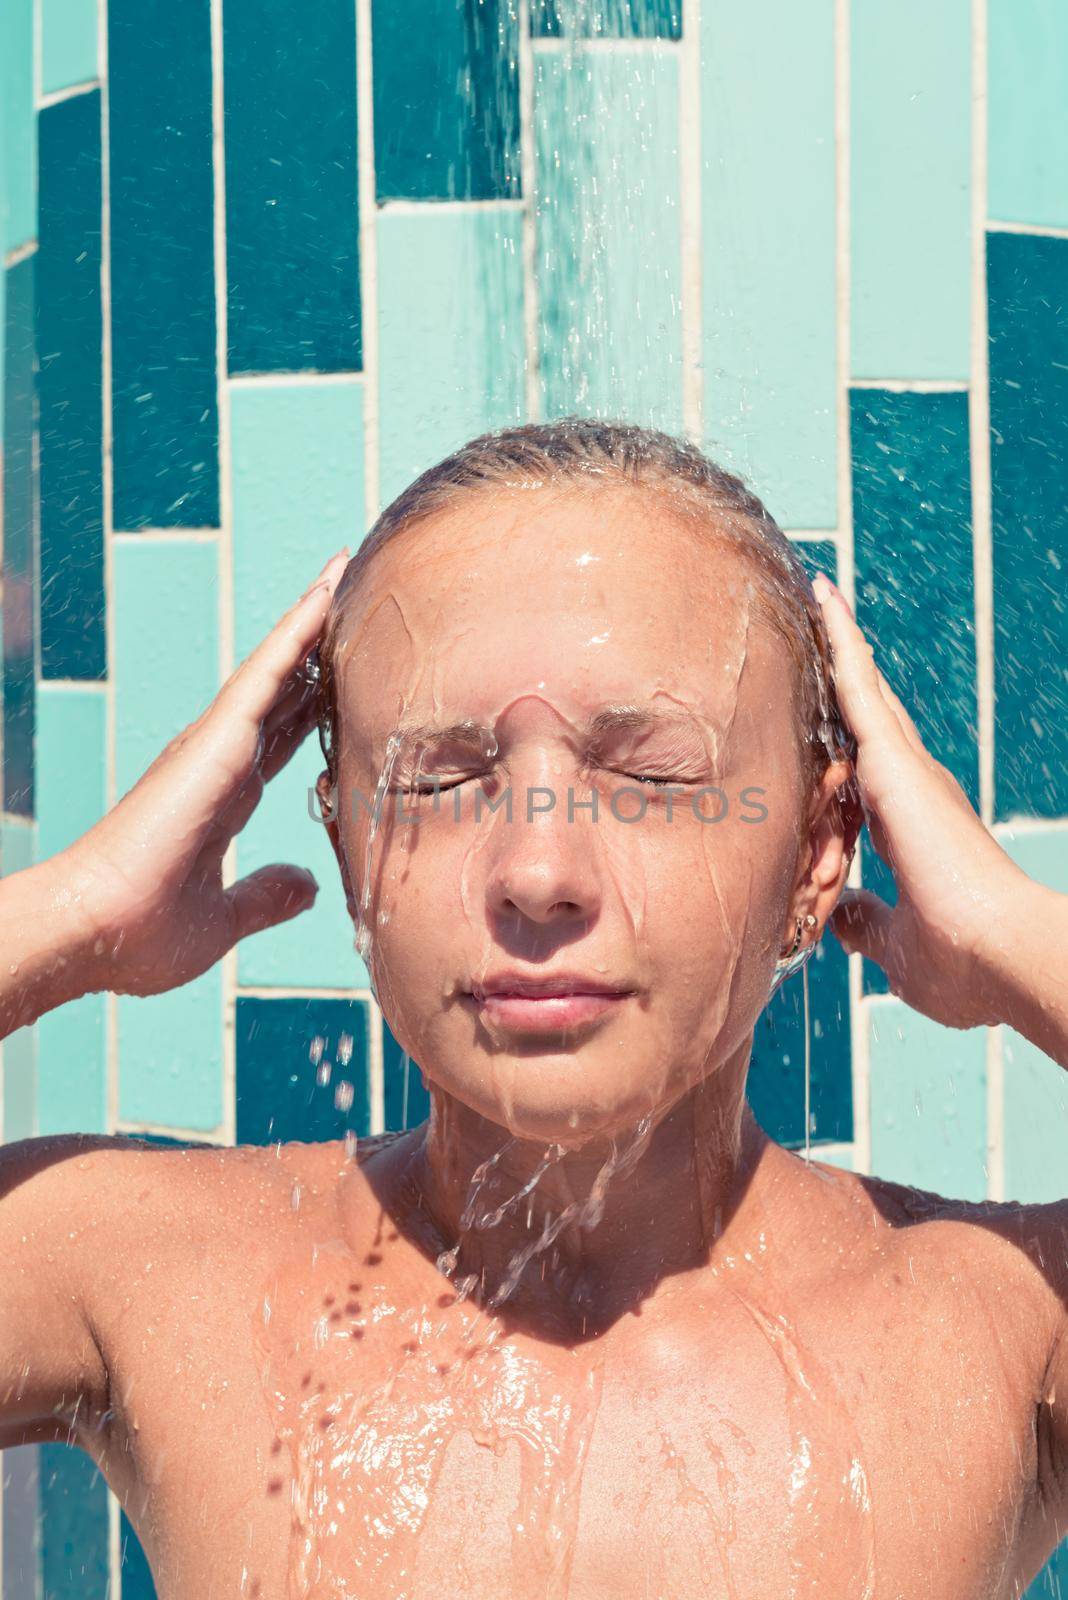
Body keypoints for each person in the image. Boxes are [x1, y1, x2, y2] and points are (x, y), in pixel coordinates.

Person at [1, 417, 1066, 1600]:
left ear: (821, 846)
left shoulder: (994, 1321)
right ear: (351, 853)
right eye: (439, 781)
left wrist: (1014, 937)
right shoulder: (156, 1274)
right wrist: (75, 913)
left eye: (653, 775)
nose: (537, 871)